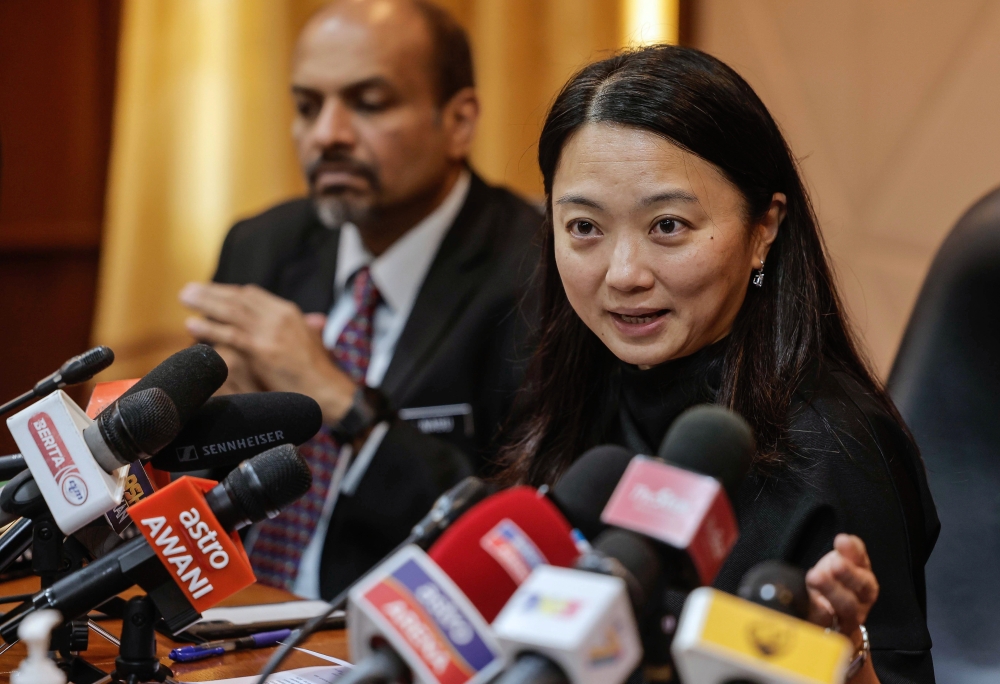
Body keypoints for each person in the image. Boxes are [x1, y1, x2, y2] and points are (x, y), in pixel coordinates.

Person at [498, 46, 939, 683]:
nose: (623, 274)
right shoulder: (573, 397)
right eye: (585, 228)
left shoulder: (835, 448)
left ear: (765, 227)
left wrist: (848, 660)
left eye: (668, 225)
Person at [179, 0, 541, 599]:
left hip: (392, 625)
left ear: (458, 122)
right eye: (307, 107)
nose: (328, 135)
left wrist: (339, 402)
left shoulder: (536, 272)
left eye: (369, 104)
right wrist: (208, 426)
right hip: (226, 612)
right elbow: (195, 491)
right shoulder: (261, 246)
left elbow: (514, 537)